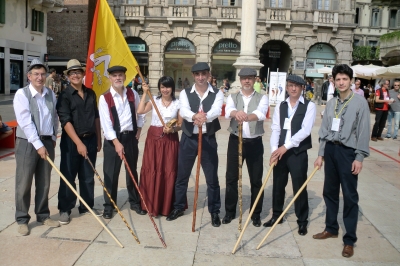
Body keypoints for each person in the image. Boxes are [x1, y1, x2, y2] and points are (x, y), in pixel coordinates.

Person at [313, 64, 370, 258]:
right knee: (329, 191)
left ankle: (349, 240)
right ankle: (331, 228)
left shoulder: (360, 102)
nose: (341, 82)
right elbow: (324, 130)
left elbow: (363, 132)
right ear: (334, 82)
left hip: (348, 152)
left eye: (345, 79)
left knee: (349, 195)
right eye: (338, 79)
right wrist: (321, 154)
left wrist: (359, 157)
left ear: (351, 81)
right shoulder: (331, 103)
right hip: (330, 150)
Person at [166, 62, 224, 227]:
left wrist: (203, 116)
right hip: (189, 138)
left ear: (208, 75)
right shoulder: (185, 92)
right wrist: (194, 117)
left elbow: (217, 110)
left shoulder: (217, 93)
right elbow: (183, 110)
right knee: (182, 176)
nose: (200, 77)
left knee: (212, 178)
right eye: (197, 75)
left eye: (203, 74)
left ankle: (214, 211)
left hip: (208, 138)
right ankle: (178, 207)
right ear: (193, 76)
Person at [263, 75, 316, 236]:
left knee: (299, 186)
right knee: (278, 185)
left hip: (297, 152)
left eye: (297, 86)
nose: (293, 89)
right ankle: (277, 215)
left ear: (302, 88)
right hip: (280, 151)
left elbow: (305, 131)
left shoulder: (309, 106)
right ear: (286, 88)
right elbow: (276, 128)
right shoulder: (281, 105)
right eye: (291, 85)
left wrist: (285, 147)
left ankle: (302, 221)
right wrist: (274, 149)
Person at [13, 59, 60, 235]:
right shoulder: (21, 94)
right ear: (29, 76)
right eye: (36, 74)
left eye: (42, 74)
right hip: (27, 143)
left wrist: (53, 137)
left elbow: (54, 116)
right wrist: (39, 145)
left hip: (47, 141)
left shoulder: (50, 94)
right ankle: (22, 218)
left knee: (44, 181)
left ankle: (42, 214)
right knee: (24, 182)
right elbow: (25, 122)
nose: (39, 77)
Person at [56, 59, 102, 225]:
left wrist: (98, 137)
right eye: (72, 73)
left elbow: (96, 117)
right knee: (68, 176)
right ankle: (65, 209)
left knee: (88, 176)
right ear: (68, 76)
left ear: (83, 74)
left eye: (78, 72)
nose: (75, 75)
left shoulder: (91, 93)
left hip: (90, 139)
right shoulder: (64, 96)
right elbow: (65, 121)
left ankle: (86, 205)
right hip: (71, 142)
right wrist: (78, 143)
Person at [98, 66, 146, 219]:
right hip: (113, 140)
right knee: (111, 174)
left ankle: (134, 201)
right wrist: (116, 143)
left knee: (132, 171)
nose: (117, 78)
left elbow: (140, 112)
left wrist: (139, 129)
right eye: (114, 76)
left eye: (120, 75)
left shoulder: (132, 94)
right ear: (110, 78)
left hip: (131, 137)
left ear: (125, 77)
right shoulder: (105, 98)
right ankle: (109, 205)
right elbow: (105, 124)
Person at [223, 68, 269, 227]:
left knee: (256, 179)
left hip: (254, 142)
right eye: (244, 78)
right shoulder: (233, 96)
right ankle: (229, 211)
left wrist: (246, 117)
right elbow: (228, 111)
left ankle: (256, 213)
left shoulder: (262, 97)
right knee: (231, 177)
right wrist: (236, 113)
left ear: (255, 80)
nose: (247, 81)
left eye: (250, 78)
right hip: (236, 140)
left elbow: (261, 113)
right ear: (240, 80)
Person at [137, 76, 182, 217]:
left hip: (170, 140)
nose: (165, 90)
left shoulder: (178, 103)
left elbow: (180, 125)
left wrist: (173, 130)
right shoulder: (154, 101)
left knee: (168, 169)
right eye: (162, 87)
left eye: (168, 87)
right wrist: (145, 92)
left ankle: (166, 206)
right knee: (152, 169)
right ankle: (149, 204)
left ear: (172, 88)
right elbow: (140, 111)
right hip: (153, 139)